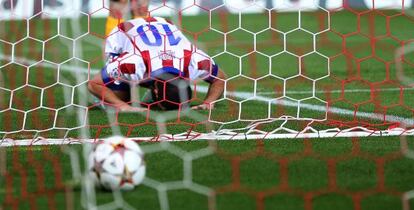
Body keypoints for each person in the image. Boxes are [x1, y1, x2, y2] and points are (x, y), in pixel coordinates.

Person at [88, 16, 226, 112]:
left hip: (163, 24)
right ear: (155, 90)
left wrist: (209, 102)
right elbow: (94, 83)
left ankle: (159, 93)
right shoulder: (133, 64)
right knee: (121, 99)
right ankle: (102, 100)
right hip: (123, 32)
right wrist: (122, 106)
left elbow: (220, 78)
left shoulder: (194, 61)